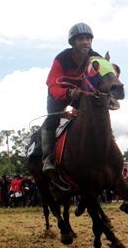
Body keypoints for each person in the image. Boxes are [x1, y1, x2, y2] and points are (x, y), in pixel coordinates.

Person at [41, 23, 100, 188]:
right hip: (60, 93)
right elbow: (52, 84)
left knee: (96, 118)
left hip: (82, 94)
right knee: (52, 119)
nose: (85, 42)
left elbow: (104, 78)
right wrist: (67, 93)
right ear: (73, 43)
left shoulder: (96, 59)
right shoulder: (62, 58)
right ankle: (48, 159)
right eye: (81, 39)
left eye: (88, 38)